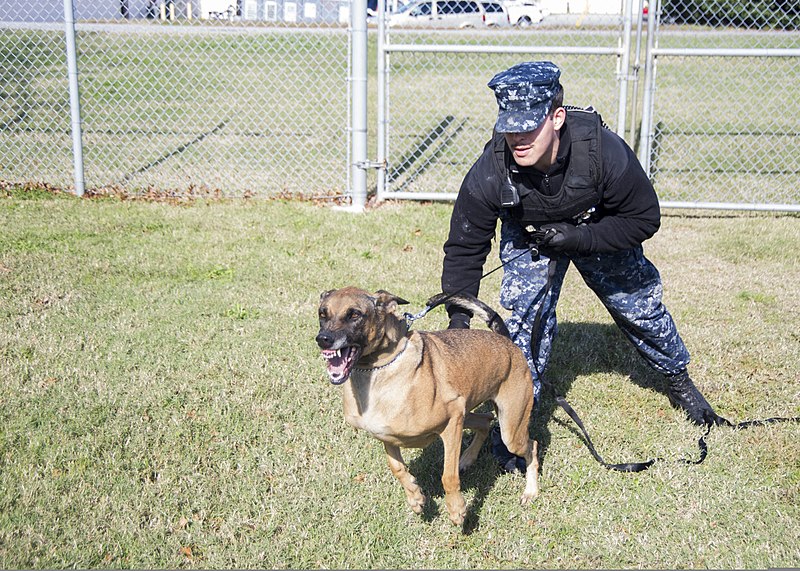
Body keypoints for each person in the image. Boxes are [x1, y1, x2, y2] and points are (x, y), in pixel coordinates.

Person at [439, 61, 727, 472]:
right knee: (522, 322)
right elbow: (465, 246)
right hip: (532, 235)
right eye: (509, 126)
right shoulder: (492, 170)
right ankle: (514, 424)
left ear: (557, 117)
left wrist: (580, 238)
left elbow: (645, 218)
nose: (517, 137)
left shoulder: (603, 152)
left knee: (639, 307)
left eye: (529, 125)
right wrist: (458, 321)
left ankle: (679, 380)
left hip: (599, 228)